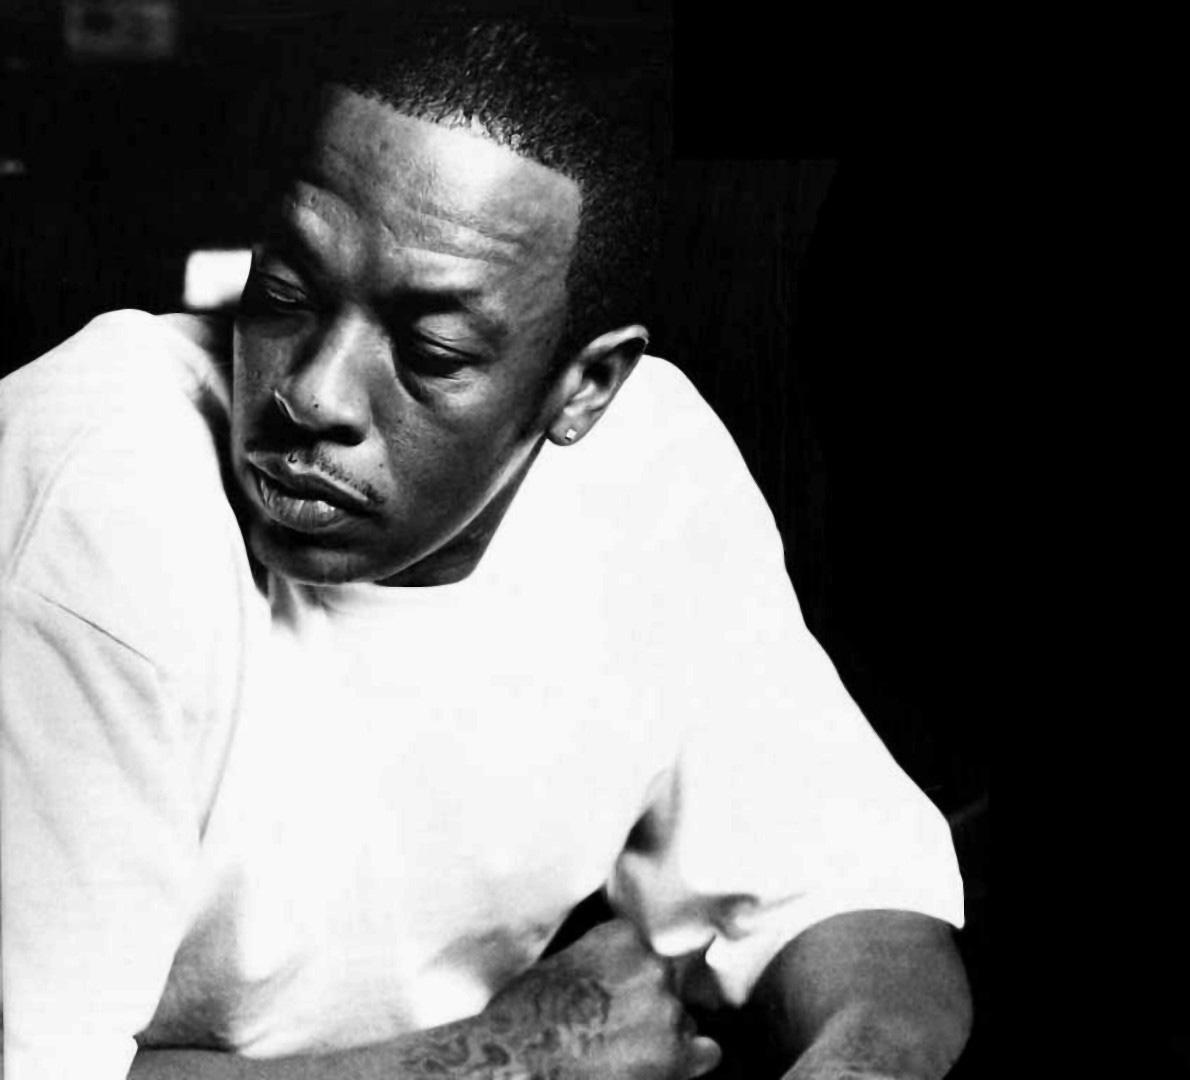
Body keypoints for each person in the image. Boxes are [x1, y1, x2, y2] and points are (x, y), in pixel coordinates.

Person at [0, 9, 969, 1080]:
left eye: (431, 349)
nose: (313, 394)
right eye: (283, 293)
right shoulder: (98, 493)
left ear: (583, 389)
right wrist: (509, 1061)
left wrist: (856, 1065)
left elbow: (854, 900)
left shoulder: (654, 469)